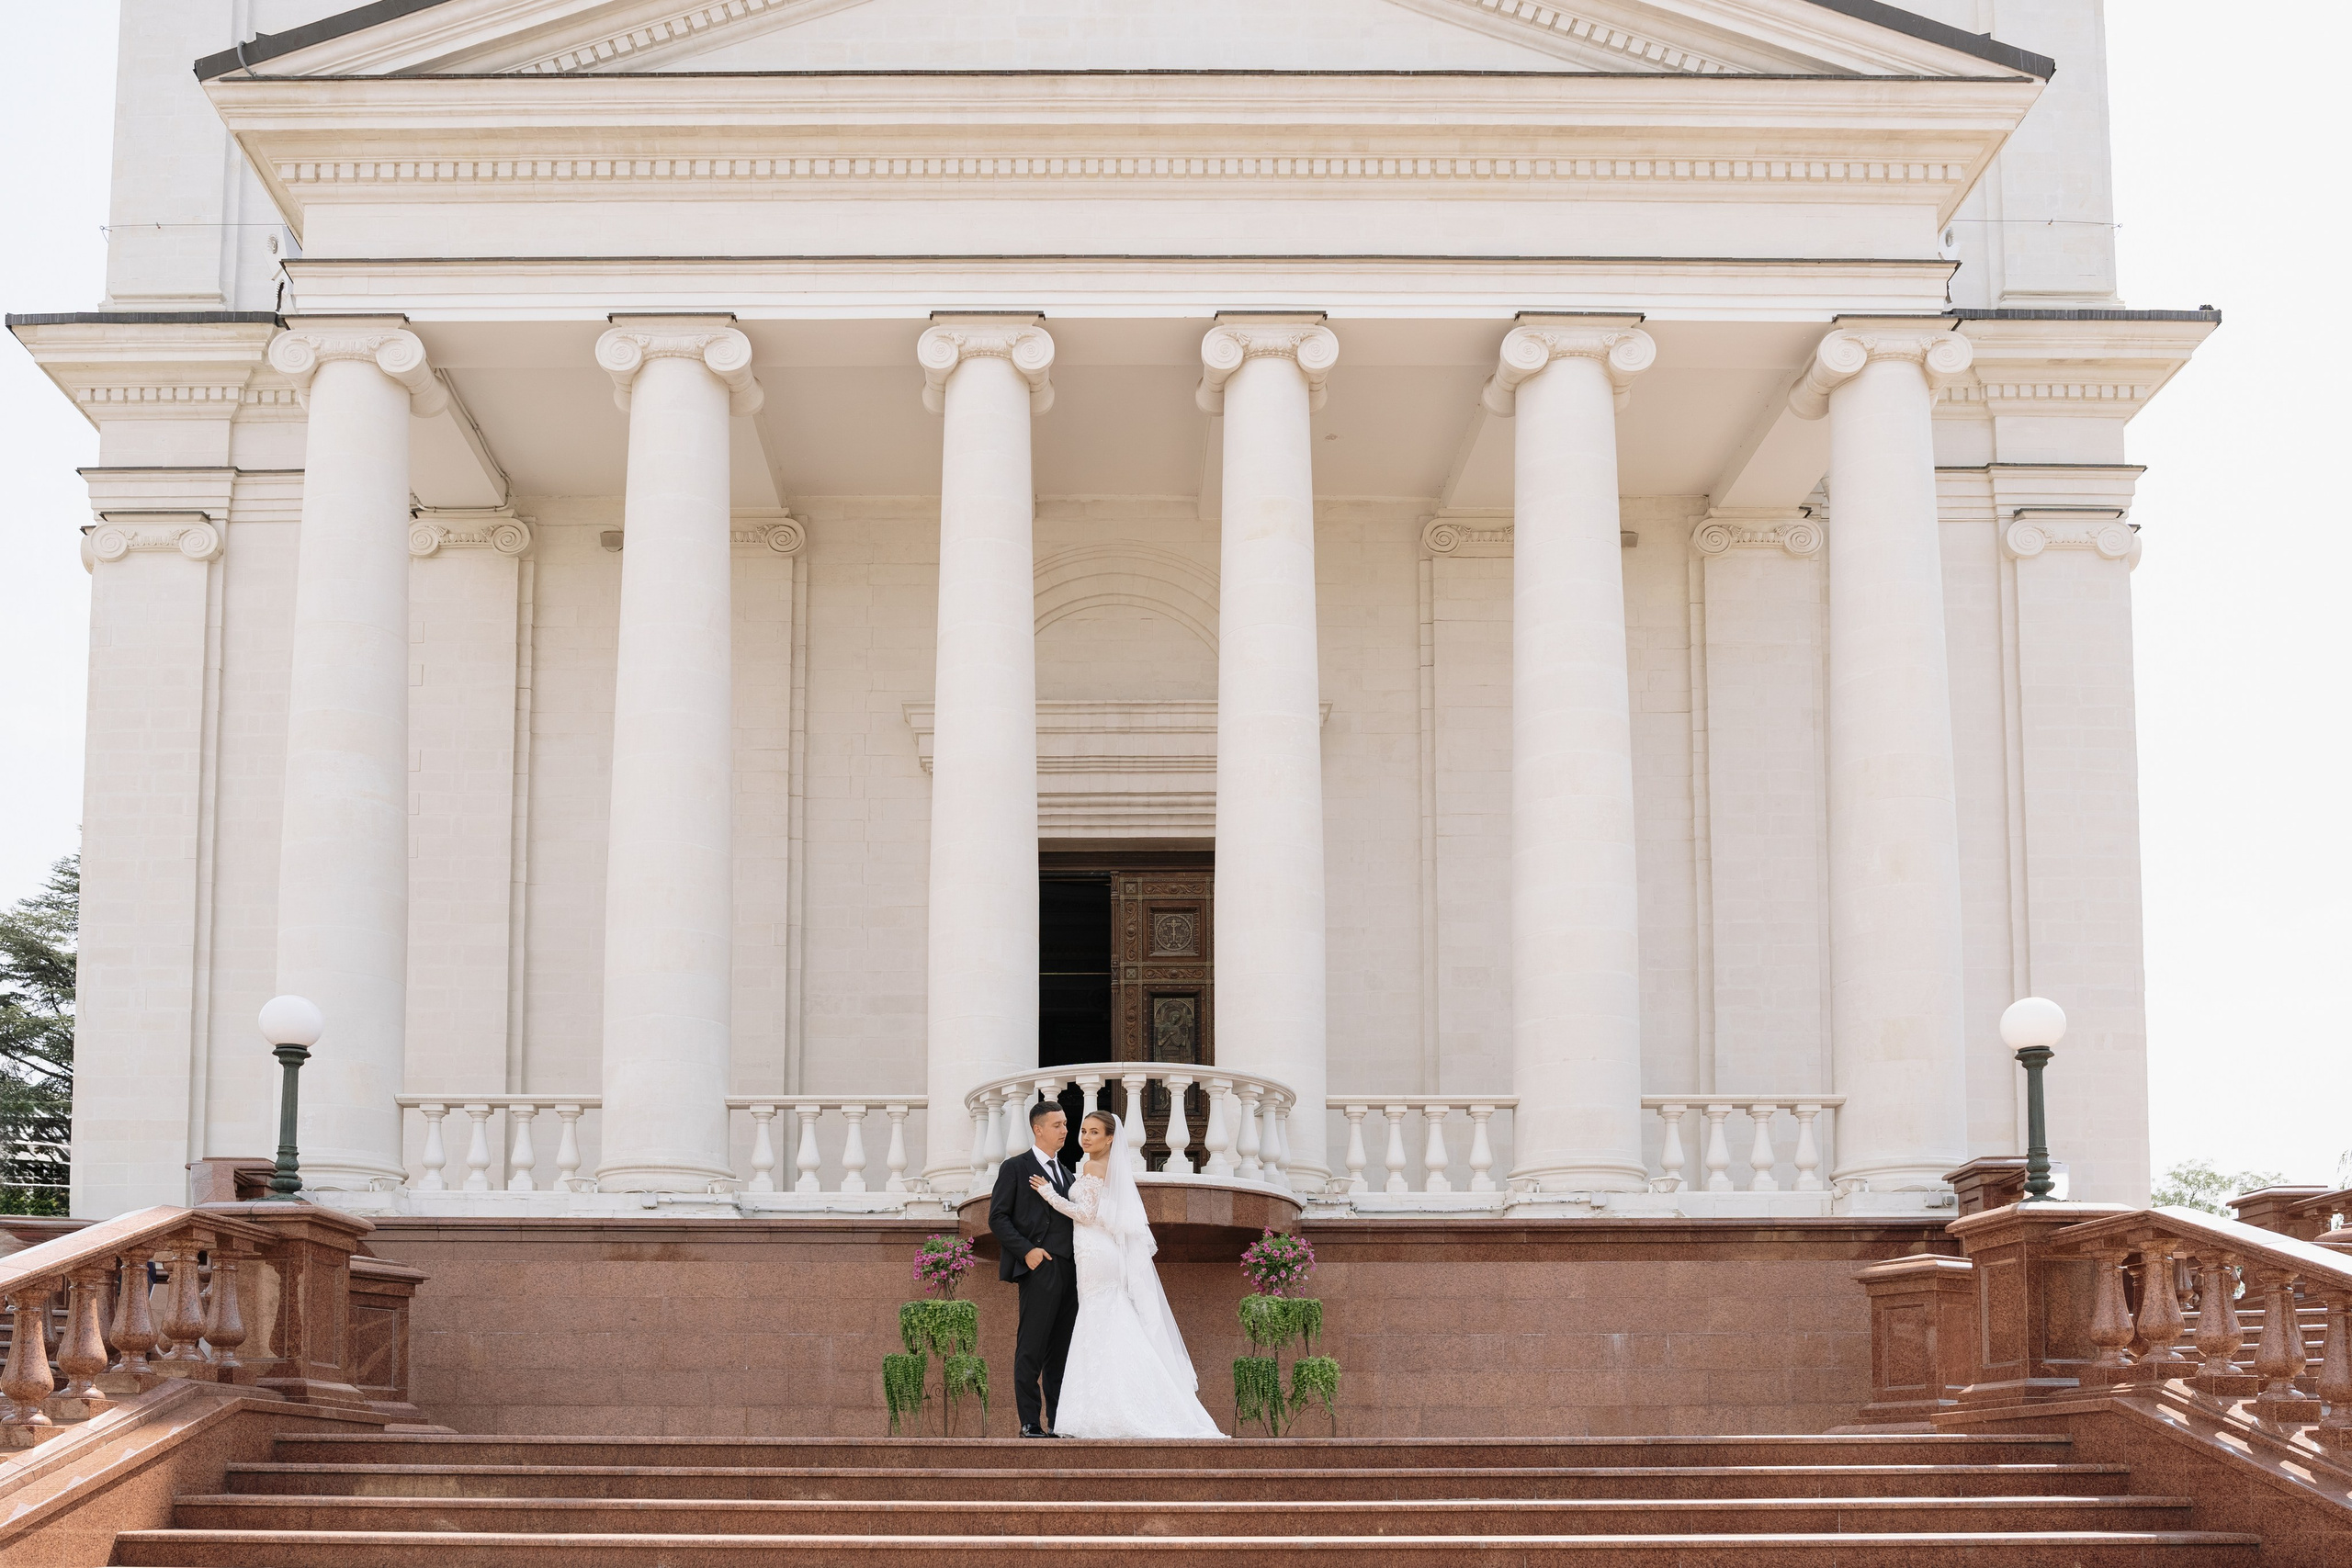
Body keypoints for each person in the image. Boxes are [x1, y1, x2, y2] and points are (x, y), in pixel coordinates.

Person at [1029, 1109, 1227, 1439]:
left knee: (1100, 1319)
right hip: (1099, 1251)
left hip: (1095, 1253)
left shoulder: (1093, 1166)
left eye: (1094, 1132)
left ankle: (1109, 1409)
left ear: (1110, 1139)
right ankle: (1118, 1403)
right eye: (1084, 1131)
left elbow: (1086, 1214)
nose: (1086, 1137)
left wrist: (1048, 1193)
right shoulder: (1102, 1168)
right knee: (1109, 1319)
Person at [988, 1100, 1078, 1438]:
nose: (1065, 1130)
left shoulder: (1068, 1174)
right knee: (1032, 1347)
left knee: (1061, 1351)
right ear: (1038, 1129)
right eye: (1057, 1125)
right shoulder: (1015, 1167)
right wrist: (1027, 1251)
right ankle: (1029, 1422)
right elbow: (997, 1217)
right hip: (1040, 1268)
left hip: (1071, 1272)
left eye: (1066, 1124)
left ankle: (1058, 1422)